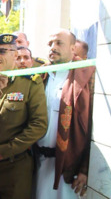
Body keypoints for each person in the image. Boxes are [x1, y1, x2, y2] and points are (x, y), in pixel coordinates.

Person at [0, 34, 48, 199]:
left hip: (15, 168)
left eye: (2, 51)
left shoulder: (30, 82)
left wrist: (4, 151)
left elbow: (39, 124)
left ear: (15, 54)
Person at [34, 29, 95, 199]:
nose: (52, 47)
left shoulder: (87, 74)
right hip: (38, 163)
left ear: (73, 49)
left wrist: (85, 169)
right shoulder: (41, 74)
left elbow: (91, 126)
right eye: (50, 44)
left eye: (59, 43)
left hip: (69, 168)